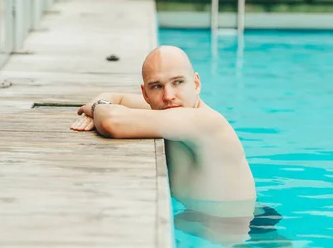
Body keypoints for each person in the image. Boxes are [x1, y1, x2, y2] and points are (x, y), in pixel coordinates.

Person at [71, 45, 256, 217]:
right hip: (204, 219)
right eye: (157, 86)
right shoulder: (169, 111)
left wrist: (96, 109)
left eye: (178, 82)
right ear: (145, 94)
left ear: (196, 84)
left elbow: (112, 121)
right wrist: (97, 109)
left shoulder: (205, 121)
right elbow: (114, 98)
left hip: (245, 229)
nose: (168, 96)